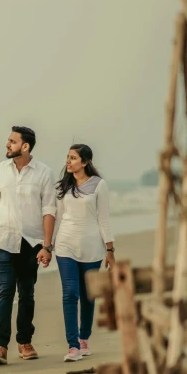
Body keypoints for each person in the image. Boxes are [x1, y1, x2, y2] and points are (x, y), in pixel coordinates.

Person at [0, 126, 57, 365]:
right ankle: (0, 345)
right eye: (8, 140)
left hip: (31, 243)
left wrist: (47, 246)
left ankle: (24, 342)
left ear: (25, 146)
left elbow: (49, 210)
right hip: (3, 240)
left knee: (27, 294)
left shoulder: (44, 173)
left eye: (12, 141)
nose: (7, 144)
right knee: (5, 292)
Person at [52, 144, 115, 362]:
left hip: (91, 247)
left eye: (73, 158)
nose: (68, 161)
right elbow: (58, 219)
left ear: (85, 162)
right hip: (65, 245)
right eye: (67, 157)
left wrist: (110, 249)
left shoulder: (99, 185)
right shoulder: (63, 186)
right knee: (70, 293)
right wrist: (47, 246)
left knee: (88, 297)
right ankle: (73, 346)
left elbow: (103, 218)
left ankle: (84, 338)